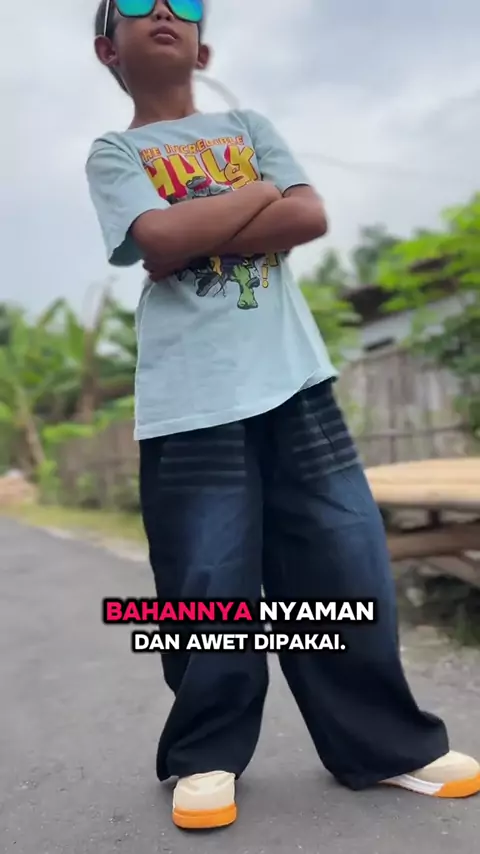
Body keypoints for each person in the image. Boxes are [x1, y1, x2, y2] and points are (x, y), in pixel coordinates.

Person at [86, 0, 480, 831]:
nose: (165, 11)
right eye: (139, 4)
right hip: (191, 402)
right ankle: (205, 753)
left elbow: (309, 216)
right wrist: (259, 195)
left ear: (204, 47)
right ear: (106, 48)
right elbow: (157, 239)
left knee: (346, 562)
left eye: (185, 4)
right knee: (206, 581)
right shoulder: (115, 152)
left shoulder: (249, 125)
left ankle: (385, 746)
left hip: (296, 382)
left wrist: (207, 222)